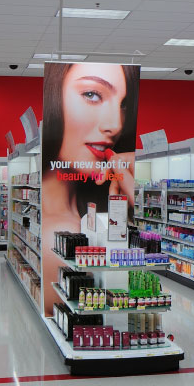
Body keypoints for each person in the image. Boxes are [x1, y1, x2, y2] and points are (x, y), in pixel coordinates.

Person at [41, 62, 139, 308]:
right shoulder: (49, 230)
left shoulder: (95, 207)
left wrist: (133, 201)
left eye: (123, 105)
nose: (116, 125)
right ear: (55, 100)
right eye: (92, 94)